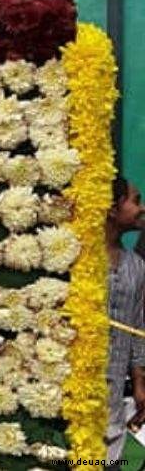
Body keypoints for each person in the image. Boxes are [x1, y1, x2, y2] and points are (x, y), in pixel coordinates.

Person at [106, 177, 145, 460]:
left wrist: (139, 384)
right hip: (74, 393)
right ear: (112, 208)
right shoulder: (81, 258)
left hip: (116, 400)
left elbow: (137, 327)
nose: (141, 209)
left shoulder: (136, 265)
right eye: (135, 200)